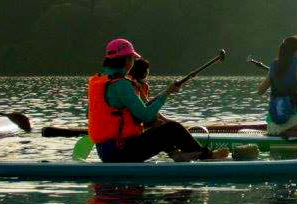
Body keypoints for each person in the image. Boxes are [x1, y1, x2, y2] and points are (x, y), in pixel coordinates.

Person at [88, 38, 227, 162]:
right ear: (126, 60)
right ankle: (206, 157)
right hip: (120, 151)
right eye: (131, 59)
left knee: (161, 126)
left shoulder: (98, 80)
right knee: (173, 128)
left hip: (104, 151)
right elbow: (145, 116)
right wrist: (166, 93)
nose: (132, 63)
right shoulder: (121, 84)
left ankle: (179, 155)